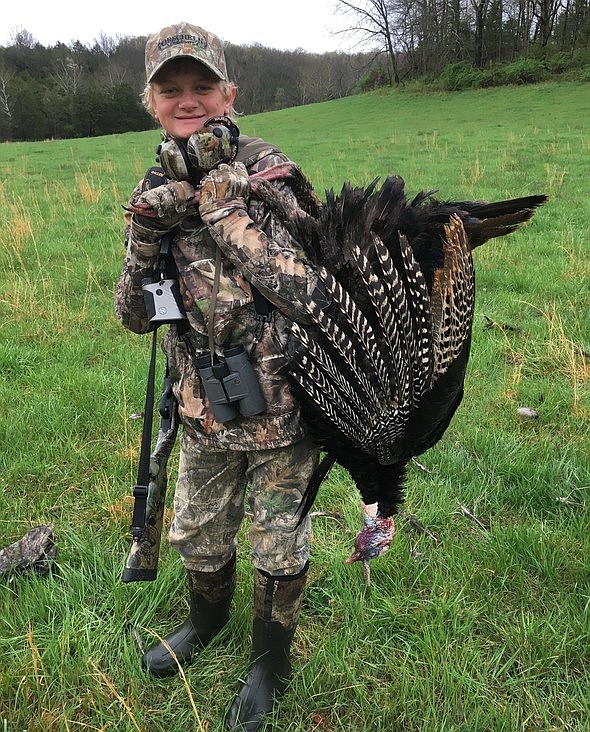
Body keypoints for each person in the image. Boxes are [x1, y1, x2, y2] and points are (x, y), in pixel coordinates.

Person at [115, 21, 323, 731]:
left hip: (285, 406)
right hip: (202, 404)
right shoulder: (151, 187)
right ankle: (206, 623)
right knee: (198, 534)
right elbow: (134, 316)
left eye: (202, 85)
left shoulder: (271, 172)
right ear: (150, 101)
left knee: (279, 540)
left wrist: (225, 209)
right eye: (171, 88)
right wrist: (146, 235)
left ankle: (270, 660)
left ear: (229, 93)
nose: (188, 99)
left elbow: (310, 293)